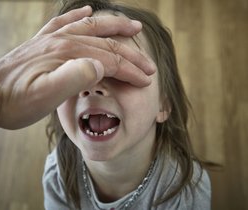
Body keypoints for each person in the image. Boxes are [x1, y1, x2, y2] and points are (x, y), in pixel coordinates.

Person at [43, 0, 211, 210]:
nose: (92, 85)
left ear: (163, 104)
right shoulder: (57, 174)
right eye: (75, 68)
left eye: (122, 70)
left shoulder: (185, 191)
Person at [0, 5, 156, 143]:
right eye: (69, 69)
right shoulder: (55, 177)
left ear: (165, 104)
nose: (91, 87)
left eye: (121, 74)